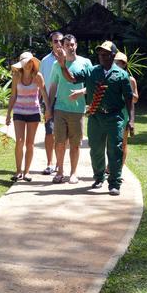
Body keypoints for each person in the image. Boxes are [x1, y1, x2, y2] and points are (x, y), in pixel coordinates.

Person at [59, 41, 134, 196]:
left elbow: (128, 99)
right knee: (96, 150)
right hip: (96, 116)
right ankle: (99, 177)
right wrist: (62, 65)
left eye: (105, 54)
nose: (102, 56)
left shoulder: (122, 75)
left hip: (115, 117)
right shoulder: (92, 71)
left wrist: (131, 120)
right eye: (100, 54)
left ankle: (114, 183)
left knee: (115, 150)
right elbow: (72, 78)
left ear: (113, 56)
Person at [46, 34, 92, 183]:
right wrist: (48, 107)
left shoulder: (85, 63)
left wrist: (81, 92)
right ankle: (59, 171)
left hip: (78, 110)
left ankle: (73, 173)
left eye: (72, 44)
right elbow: (53, 87)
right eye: (67, 45)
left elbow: (93, 85)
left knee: (75, 144)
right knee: (59, 142)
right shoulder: (57, 65)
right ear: (63, 47)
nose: (70, 47)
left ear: (76, 45)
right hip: (60, 109)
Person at [5, 51, 50, 182]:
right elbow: (13, 95)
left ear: (33, 63)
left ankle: (27, 172)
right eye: (25, 62)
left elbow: (44, 93)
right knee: (19, 142)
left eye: (30, 62)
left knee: (30, 143)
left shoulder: (38, 76)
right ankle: (18, 171)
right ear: (21, 64)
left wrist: (48, 110)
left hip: (33, 112)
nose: (28, 65)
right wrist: (8, 113)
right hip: (19, 112)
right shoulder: (16, 76)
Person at [39, 31, 64, 175]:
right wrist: (40, 101)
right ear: (51, 43)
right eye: (55, 41)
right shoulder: (45, 61)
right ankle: (49, 163)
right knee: (49, 132)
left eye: (61, 41)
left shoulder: (68, 59)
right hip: (49, 100)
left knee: (63, 135)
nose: (58, 44)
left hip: (65, 100)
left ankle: (60, 164)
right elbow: (41, 83)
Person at [115, 52, 139, 169]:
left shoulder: (131, 80)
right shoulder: (110, 78)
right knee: (110, 142)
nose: (116, 65)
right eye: (114, 62)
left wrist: (128, 93)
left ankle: (120, 168)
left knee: (123, 143)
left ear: (124, 64)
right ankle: (110, 166)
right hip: (112, 113)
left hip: (125, 114)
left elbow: (135, 99)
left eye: (118, 63)